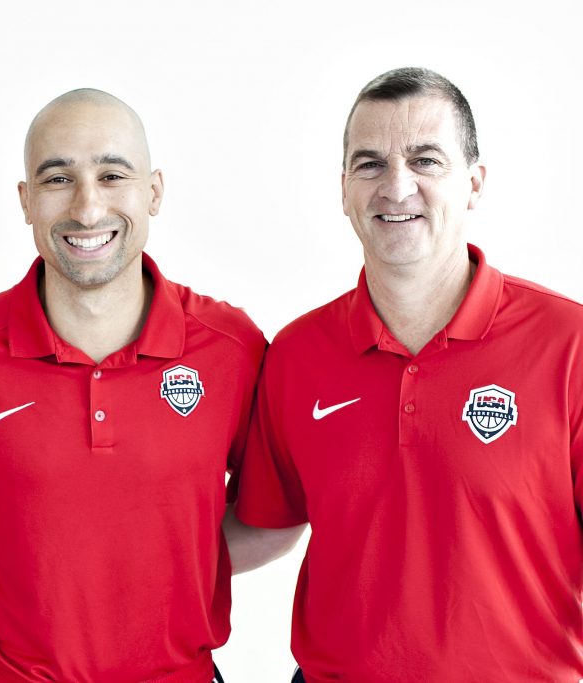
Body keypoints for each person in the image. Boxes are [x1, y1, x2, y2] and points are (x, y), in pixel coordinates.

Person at [0, 88, 301, 683]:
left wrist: (173, 561)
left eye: (112, 175)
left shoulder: (232, 350)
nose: (88, 208)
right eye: (57, 179)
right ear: (25, 201)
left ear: (153, 192)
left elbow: (275, 514)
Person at [236, 66, 583, 682]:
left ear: (473, 183)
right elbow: (267, 523)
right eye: (369, 164)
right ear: (343, 189)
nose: (397, 188)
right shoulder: (296, 355)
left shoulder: (568, 345)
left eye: (426, 161)